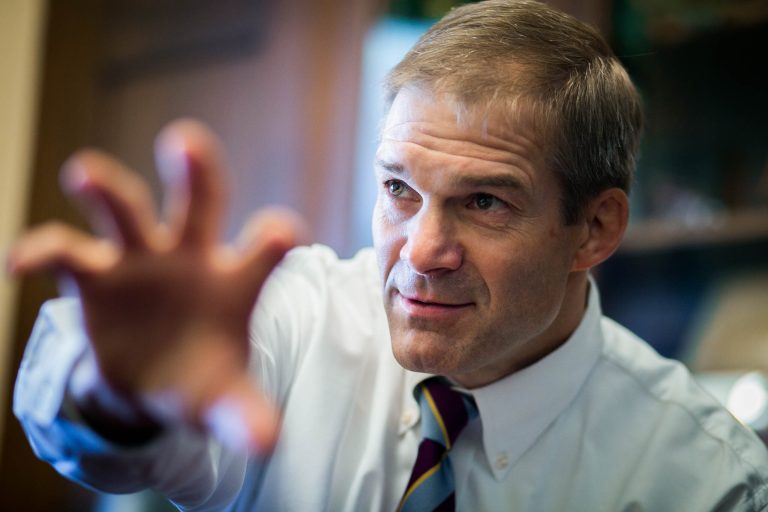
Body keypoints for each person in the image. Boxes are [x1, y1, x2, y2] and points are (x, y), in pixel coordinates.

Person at [10, 0, 768, 510]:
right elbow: (104, 441)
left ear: (596, 229)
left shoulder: (707, 481)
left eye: (485, 202)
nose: (422, 252)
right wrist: (115, 396)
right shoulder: (298, 309)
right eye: (399, 189)